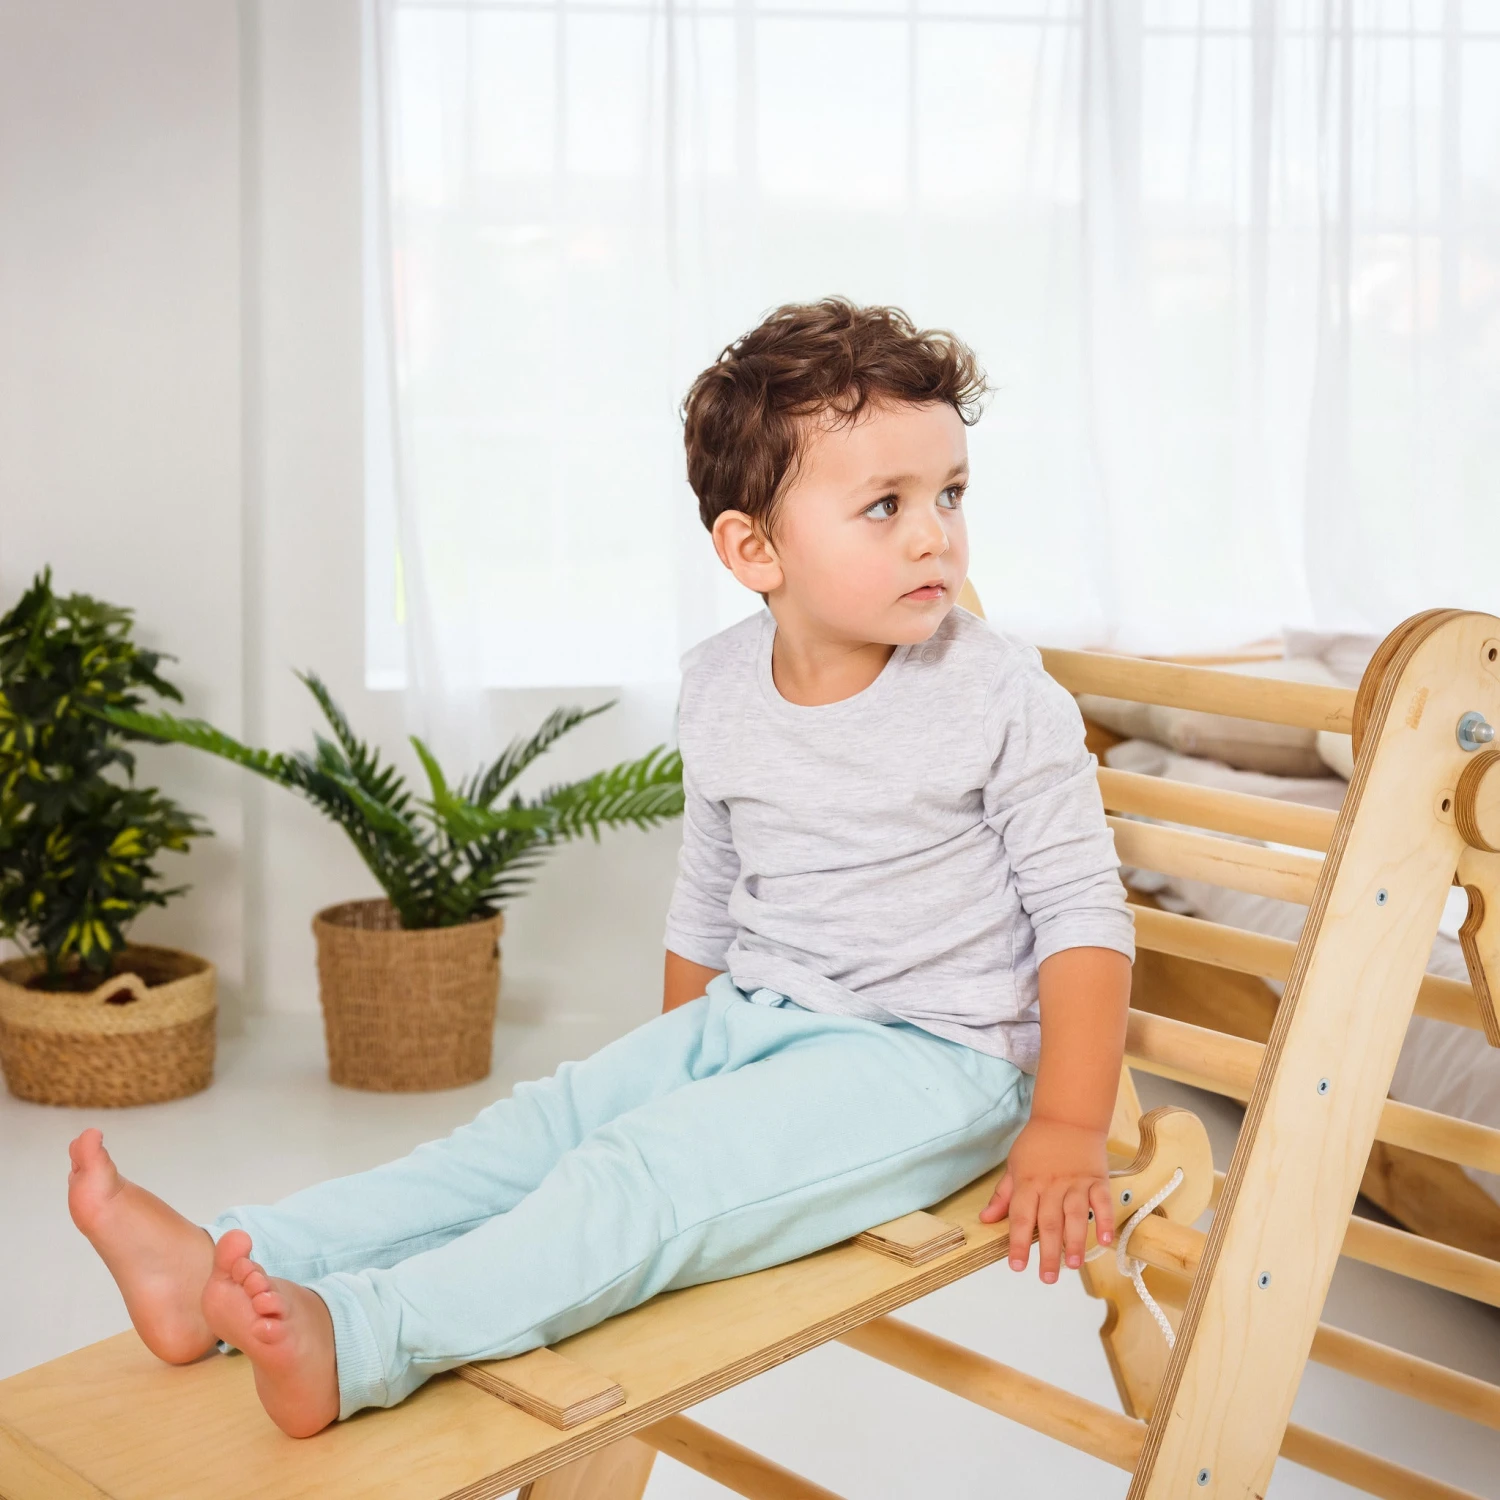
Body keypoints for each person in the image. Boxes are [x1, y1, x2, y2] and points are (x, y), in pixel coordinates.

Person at [66, 297, 1134, 1439]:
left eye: (951, 494)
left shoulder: (998, 696)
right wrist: (674, 1058)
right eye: (887, 505)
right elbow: (711, 888)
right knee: (539, 1130)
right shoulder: (724, 684)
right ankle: (233, 1261)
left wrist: (1066, 1125)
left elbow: (1081, 910)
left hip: (935, 1061)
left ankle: (370, 1337)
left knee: (640, 1175)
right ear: (752, 549)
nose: (937, 536)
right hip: (756, 1019)